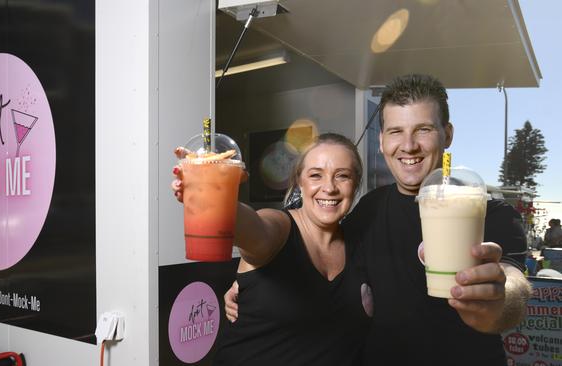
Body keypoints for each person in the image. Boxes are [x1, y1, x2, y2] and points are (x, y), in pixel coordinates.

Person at [224, 74, 531, 366]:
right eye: (396, 131)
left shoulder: (489, 212)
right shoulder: (367, 210)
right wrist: (253, 282)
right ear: (383, 140)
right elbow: (308, 255)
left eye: (423, 129)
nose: (408, 145)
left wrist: (498, 300)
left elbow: (514, 286)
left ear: (447, 134)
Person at [172, 133, 371, 365]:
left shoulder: (361, 246)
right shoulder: (279, 227)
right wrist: (213, 192)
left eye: (342, 176)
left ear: (355, 184)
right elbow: (254, 228)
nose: (329, 187)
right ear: (299, 182)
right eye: (316, 175)